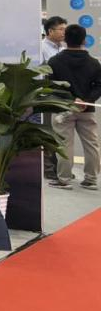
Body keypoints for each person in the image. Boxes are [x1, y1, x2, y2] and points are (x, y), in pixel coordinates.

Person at [48, 23, 101, 190]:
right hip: (87, 109)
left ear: (65, 39)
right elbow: (99, 85)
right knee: (91, 144)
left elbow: (52, 86)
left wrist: (71, 100)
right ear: (84, 40)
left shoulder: (54, 61)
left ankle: (64, 179)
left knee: (64, 144)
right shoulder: (94, 63)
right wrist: (85, 100)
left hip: (63, 108)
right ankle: (91, 179)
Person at [41, 16, 69, 182]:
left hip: (62, 97)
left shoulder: (63, 48)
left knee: (60, 133)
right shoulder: (42, 48)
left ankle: (60, 168)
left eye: (65, 29)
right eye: (61, 29)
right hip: (47, 96)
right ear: (50, 31)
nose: (64, 32)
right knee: (48, 133)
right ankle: (48, 168)